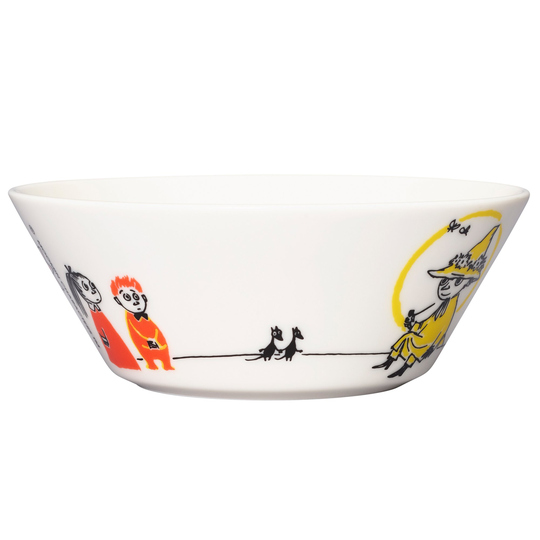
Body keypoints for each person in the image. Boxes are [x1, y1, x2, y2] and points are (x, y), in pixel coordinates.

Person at [374, 225, 499, 378]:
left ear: (465, 284)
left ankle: (401, 369)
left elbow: (435, 327)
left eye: (456, 281)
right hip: (425, 335)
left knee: (414, 344)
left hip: (428, 338)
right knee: (407, 340)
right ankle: (389, 363)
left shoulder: (448, 307)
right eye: (445, 280)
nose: (445, 286)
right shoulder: (444, 306)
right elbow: (430, 322)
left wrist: (415, 326)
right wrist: (414, 324)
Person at [65, 266, 141, 370]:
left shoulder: (98, 310)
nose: (93, 290)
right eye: (86, 288)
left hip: (116, 342)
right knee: (124, 359)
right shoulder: (94, 312)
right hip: (114, 346)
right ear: (80, 294)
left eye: (92, 285)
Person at [111, 275, 174, 371]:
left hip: (156, 342)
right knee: (149, 356)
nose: (134, 302)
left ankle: (166, 365)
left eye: (136, 297)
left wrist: (157, 340)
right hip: (146, 344)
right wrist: (149, 341)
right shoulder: (130, 318)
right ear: (118, 301)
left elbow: (155, 330)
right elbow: (136, 333)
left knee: (164, 356)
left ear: (144, 297)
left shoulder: (145, 318)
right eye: (127, 297)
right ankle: (153, 365)